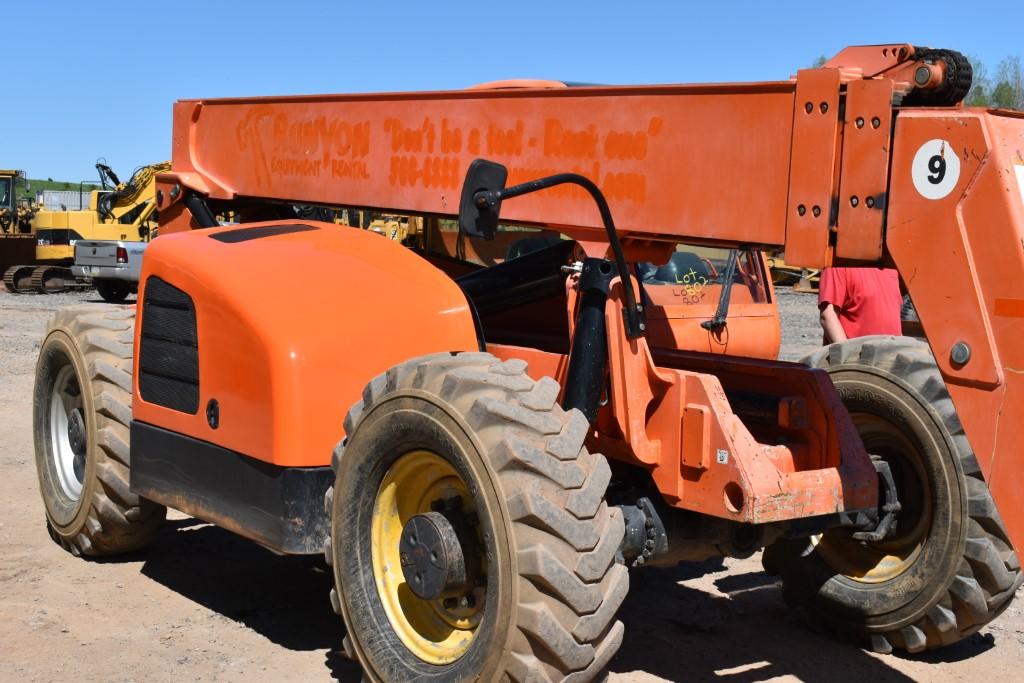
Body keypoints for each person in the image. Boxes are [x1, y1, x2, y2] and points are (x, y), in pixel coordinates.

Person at [818, 267, 902, 344]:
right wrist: (847, 355)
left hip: (892, 354)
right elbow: (828, 316)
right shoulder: (837, 267)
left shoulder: (890, 269)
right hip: (859, 357)